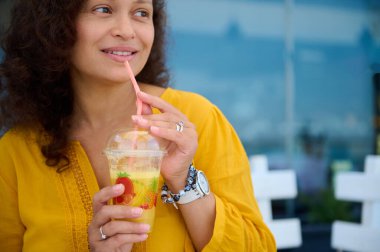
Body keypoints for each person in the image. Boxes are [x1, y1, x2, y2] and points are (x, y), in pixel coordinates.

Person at [0, 0, 276, 251]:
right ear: (55, 27)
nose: (126, 30)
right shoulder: (15, 151)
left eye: (141, 13)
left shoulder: (198, 119)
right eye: (103, 9)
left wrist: (184, 182)